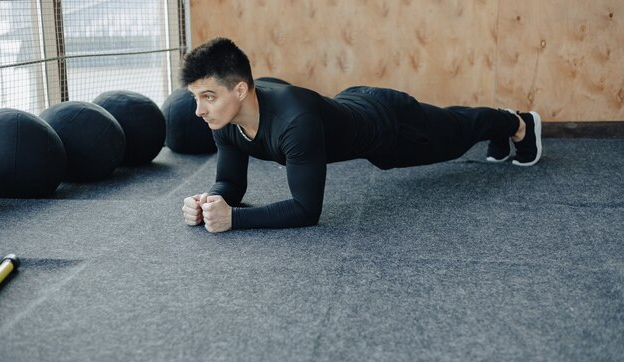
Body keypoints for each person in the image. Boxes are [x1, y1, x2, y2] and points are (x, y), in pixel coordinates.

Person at [181, 37, 542, 233]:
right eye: (195, 98)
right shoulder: (225, 121)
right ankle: (501, 127)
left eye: (208, 97)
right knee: (457, 129)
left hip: (390, 123)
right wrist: (210, 202)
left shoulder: (294, 121)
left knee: (457, 132)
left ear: (241, 90)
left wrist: (236, 219)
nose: (199, 110)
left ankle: (517, 123)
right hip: (354, 110)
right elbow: (231, 182)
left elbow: (307, 210)